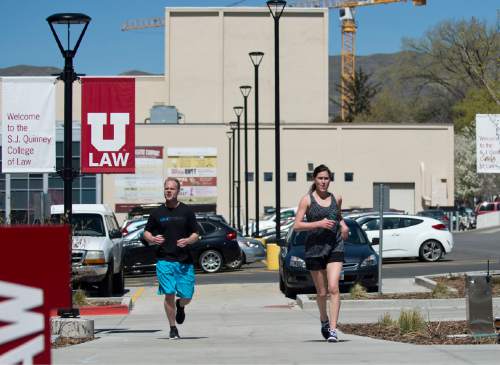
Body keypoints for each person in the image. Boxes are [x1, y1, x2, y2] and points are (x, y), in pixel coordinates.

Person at [293, 164, 349, 343]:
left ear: (330, 180)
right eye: (320, 178)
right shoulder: (307, 200)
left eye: (326, 178)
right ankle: (324, 319)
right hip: (315, 249)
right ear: (314, 180)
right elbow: (297, 225)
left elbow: (337, 215)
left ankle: (333, 329)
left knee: (333, 287)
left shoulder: (336, 198)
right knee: (322, 292)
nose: (323, 182)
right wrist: (318, 223)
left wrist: (344, 225)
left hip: (335, 246)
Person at [143, 177, 200, 339]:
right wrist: (152, 239)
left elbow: (196, 233)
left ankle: (180, 306)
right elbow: (146, 232)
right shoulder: (157, 213)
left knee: (187, 296)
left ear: (178, 191)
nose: (168, 191)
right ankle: (172, 327)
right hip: (164, 260)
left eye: (172, 188)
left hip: (184, 262)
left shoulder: (187, 212)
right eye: (166, 188)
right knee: (169, 292)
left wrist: (188, 240)